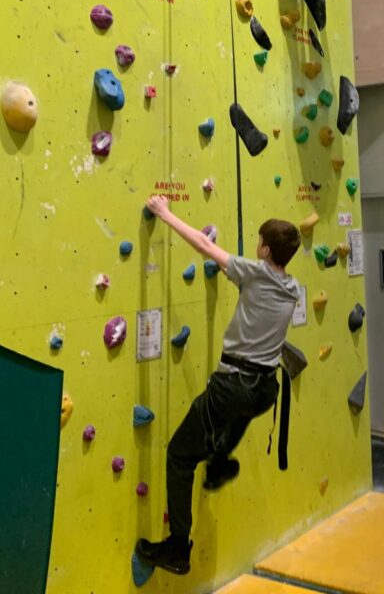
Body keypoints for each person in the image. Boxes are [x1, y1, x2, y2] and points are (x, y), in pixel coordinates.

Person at [135, 196, 301, 576]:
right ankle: (219, 459)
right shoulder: (291, 287)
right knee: (226, 421)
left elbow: (205, 246)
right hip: (264, 391)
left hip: (233, 386)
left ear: (265, 249)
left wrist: (164, 213)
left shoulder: (255, 273)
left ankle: (177, 548)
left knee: (179, 455)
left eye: (260, 241)